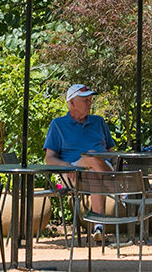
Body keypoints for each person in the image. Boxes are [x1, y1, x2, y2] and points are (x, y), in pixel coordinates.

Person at [44, 83, 116, 241]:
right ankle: (119, 192)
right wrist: (66, 166)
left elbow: (111, 153)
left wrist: (113, 164)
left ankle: (99, 227)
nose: (90, 103)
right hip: (72, 174)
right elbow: (49, 159)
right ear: (71, 103)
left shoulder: (99, 122)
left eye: (90, 99)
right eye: (85, 100)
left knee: (93, 168)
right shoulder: (58, 125)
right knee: (90, 156)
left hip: (101, 170)